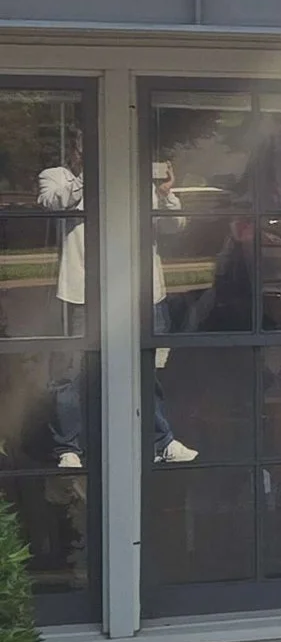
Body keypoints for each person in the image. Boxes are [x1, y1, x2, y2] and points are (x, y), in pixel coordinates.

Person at [42, 143, 195, 467]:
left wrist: (165, 193)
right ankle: (68, 448)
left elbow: (176, 225)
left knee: (145, 368)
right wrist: (89, 173)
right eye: (87, 147)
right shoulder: (57, 177)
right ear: (75, 152)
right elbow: (55, 202)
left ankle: (160, 441)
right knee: (70, 373)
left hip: (139, 292)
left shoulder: (138, 182)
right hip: (83, 292)